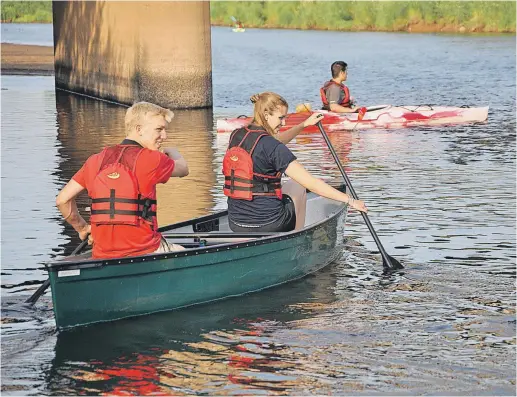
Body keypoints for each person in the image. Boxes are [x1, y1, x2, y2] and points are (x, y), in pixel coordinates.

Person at [55, 101, 189, 259]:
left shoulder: (95, 160)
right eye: (159, 129)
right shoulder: (152, 159)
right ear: (139, 129)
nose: (164, 136)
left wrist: (82, 228)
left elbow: (62, 200)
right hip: (145, 251)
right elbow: (183, 169)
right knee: (186, 254)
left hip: (102, 253)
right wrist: (173, 152)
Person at [223, 92, 367, 233]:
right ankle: (298, 236)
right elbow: (312, 184)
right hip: (270, 223)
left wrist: (304, 125)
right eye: (281, 118)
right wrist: (350, 200)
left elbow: (272, 143)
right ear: (266, 116)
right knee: (298, 185)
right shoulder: (273, 147)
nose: (284, 122)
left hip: (236, 222)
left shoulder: (237, 135)